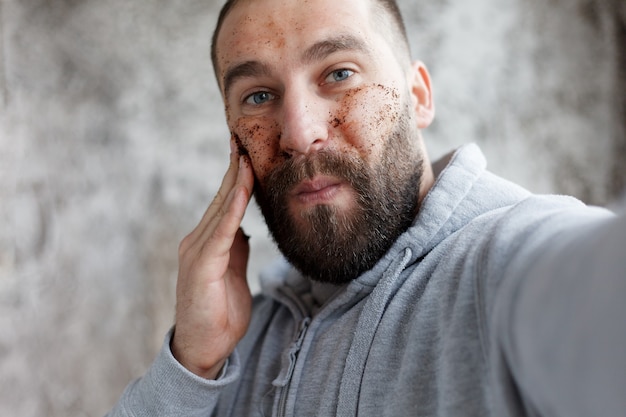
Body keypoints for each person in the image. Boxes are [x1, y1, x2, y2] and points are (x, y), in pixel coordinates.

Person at [106, 0, 626, 415]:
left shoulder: (509, 262)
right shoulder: (236, 340)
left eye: (339, 74)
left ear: (418, 96)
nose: (299, 133)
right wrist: (192, 367)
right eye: (258, 97)